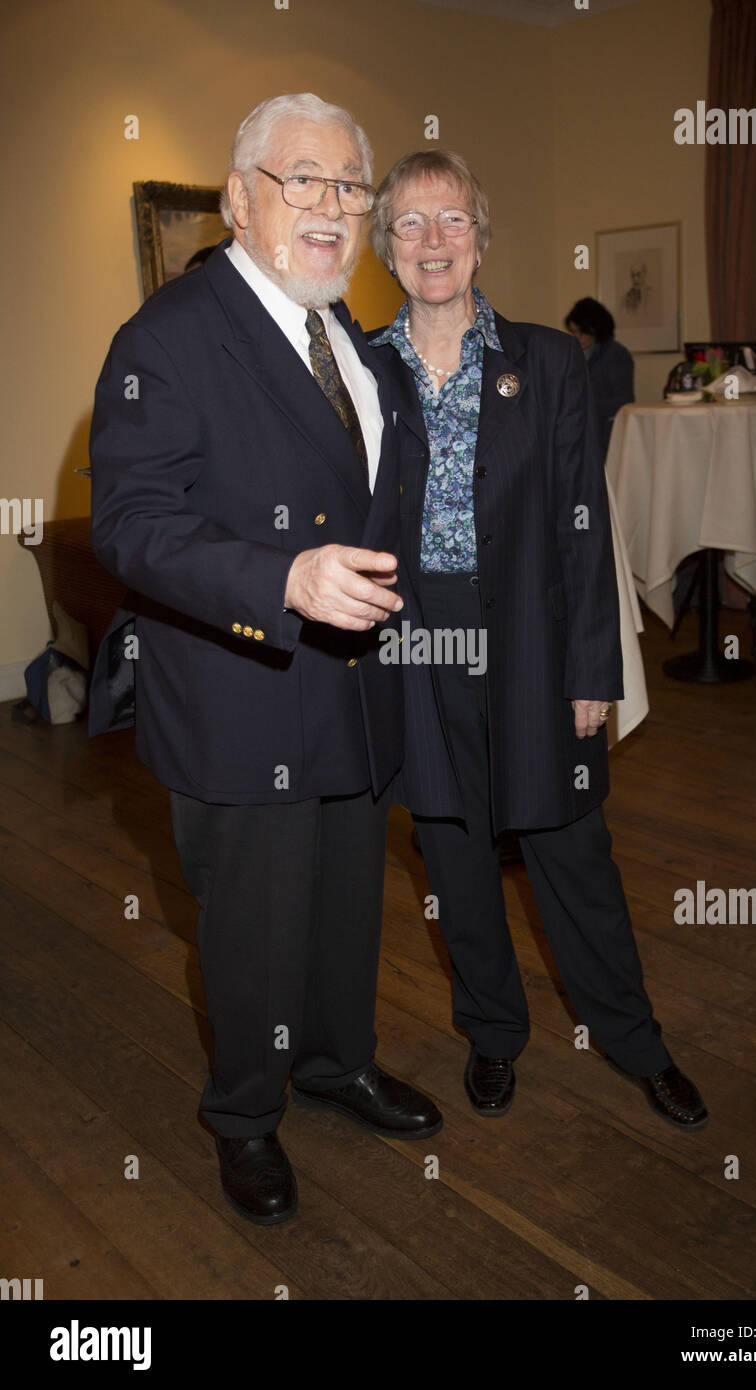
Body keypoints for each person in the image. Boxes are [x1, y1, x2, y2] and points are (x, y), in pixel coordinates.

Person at [88, 93, 442, 1227]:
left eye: (351, 185)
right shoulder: (167, 338)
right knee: (251, 926)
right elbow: (132, 526)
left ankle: (336, 1062)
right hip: (241, 696)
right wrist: (279, 580)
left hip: (351, 694)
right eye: (306, 180)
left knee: (345, 905)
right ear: (240, 200)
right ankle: (244, 1117)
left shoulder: (352, 332)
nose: (334, 207)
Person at [368, 150, 707, 1130]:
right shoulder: (357, 370)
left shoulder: (547, 361)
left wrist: (591, 668)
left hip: (524, 632)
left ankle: (633, 1040)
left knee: (570, 845)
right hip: (412, 638)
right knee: (453, 850)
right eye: (412, 225)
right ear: (385, 246)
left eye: (452, 221)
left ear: (480, 235)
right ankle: (491, 1032)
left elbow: (581, 523)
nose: (434, 242)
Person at [565, 297, 634, 458]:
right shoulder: (573, 354)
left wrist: (583, 402)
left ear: (595, 328)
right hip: (580, 432)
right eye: (573, 332)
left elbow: (625, 400)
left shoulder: (616, 354)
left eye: (581, 332)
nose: (577, 337)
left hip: (606, 434)